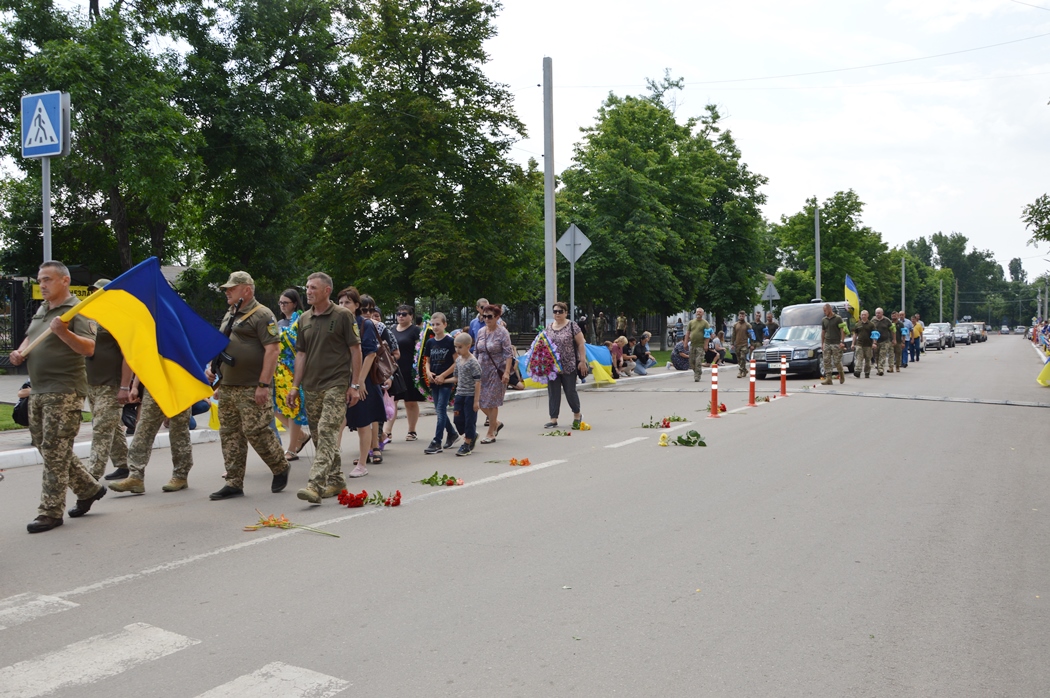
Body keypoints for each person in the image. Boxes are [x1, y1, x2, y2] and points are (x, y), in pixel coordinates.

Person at [10, 261, 103, 533]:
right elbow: (31, 337)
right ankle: (89, 488)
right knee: (46, 446)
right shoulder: (43, 309)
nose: (42, 285)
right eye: (40, 279)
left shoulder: (78, 310)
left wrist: (64, 331)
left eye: (48, 279)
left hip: (64, 391)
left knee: (54, 450)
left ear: (65, 281)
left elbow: (88, 347)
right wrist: (19, 352)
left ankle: (50, 511)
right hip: (38, 390)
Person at [205, 272, 290, 500]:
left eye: (231, 288)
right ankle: (234, 482)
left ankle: (280, 466)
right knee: (230, 434)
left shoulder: (262, 314)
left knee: (257, 430)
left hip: (253, 385)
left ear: (247, 290)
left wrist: (263, 384)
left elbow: (272, 350)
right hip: (230, 385)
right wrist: (219, 376)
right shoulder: (230, 313)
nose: (227, 292)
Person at [288, 272, 362, 504]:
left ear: (327, 291)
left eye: (313, 288)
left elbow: (355, 351)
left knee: (328, 429)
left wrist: (355, 385)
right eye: (307, 287)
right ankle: (337, 479)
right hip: (311, 386)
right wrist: (294, 386)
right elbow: (301, 354)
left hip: (336, 383)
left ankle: (315, 484)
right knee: (321, 437)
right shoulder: (304, 319)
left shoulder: (342, 316)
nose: (308, 291)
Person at [337, 288, 387, 477]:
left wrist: (358, 382)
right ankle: (333, 462)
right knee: (337, 421)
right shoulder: (337, 323)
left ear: (357, 305)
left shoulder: (365, 324)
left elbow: (370, 354)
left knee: (363, 423)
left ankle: (363, 464)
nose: (343, 306)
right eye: (340, 303)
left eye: (347, 303)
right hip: (342, 379)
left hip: (362, 380)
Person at [84, 278, 130, 481]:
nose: (94, 294)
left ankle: (91, 476)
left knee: (101, 428)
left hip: (111, 383)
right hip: (91, 382)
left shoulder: (119, 318)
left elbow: (128, 355)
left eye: (99, 291)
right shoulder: (89, 317)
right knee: (109, 424)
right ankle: (124, 464)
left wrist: (124, 386)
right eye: (93, 291)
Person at [274, 288, 310, 461]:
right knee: (275, 407)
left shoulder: (301, 320)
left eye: (285, 303)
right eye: (280, 303)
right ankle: (301, 436)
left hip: (296, 368)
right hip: (279, 370)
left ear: (294, 303)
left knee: (293, 408)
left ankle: (291, 448)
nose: (282, 306)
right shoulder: (278, 324)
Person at [542, 301, 588, 429]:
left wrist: (582, 361)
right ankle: (553, 418)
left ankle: (577, 415)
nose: (557, 314)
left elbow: (581, 344)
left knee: (570, 391)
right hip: (552, 366)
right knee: (553, 392)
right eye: (555, 311)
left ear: (566, 313)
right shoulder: (549, 327)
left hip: (569, 364)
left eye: (560, 311)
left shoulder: (572, 326)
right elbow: (544, 344)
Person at [474, 304, 514, 444]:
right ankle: (495, 422)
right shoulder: (481, 331)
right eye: (484, 316)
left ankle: (491, 433)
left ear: (497, 317)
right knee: (480, 402)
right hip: (481, 371)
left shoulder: (502, 332)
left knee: (492, 402)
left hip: (496, 371)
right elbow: (476, 351)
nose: (486, 319)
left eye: (489, 316)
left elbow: (509, 354)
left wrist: (507, 372)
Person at [423, 312, 459, 454]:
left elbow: (456, 361)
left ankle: (437, 441)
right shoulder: (430, 342)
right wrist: (428, 372)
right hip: (434, 380)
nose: (435, 327)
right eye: (433, 325)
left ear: (445, 324)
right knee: (439, 410)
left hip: (446, 380)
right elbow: (427, 361)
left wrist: (444, 375)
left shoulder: (450, 342)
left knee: (441, 409)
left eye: (438, 324)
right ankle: (452, 433)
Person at [389, 304, 424, 442]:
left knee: (410, 402)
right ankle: (387, 431)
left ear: (411, 316)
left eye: (404, 314)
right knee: (392, 401)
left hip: (409, 370)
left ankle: (412, 430)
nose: (401, 316)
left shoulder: (415, 330)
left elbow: (420, 351)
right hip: (394, 370)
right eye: (398, 314)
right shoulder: (392, 329)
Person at [443, 332, 481, 456]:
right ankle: (471, 435)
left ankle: (467, 444)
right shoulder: (458, 360)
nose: (457, 350)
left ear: (468, 346)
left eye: (460, 347)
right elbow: (456, 378)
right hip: (460, 394)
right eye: (455, 347)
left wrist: (476, 401)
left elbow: (478, 382)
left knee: (470, 420)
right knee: (458, 419)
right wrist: (443, 380)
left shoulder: (473, 362)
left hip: (470, 396)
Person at [820, 304, 848, 385]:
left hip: (836, 343)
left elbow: (843, 330)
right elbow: (823, 332)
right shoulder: (824, 320)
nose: (824, 312)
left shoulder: (838, 318)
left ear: (829, 309)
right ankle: (828, 378)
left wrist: (842, 342)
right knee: (826, 361)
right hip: (827, 343)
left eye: (825, 310)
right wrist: (822, 344)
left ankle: (841, 373)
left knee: (836, 361)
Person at [684, 307, 711, 382]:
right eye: (697, 312)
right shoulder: (691, 322)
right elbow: (687, 333)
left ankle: (697, 376)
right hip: (692, 344)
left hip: (701, 345)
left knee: (698, 361)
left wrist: (706, 344)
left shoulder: (705, 323)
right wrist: (685, 343)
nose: (698, 313)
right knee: (691, 361)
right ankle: (698, 371)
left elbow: (707, 334)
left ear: (703, 314)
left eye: (700, 312)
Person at [871, 307, 895, 376]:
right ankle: (879, 368)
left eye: (879, 313)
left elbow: (892, 330)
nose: (877, 314)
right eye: (876, 313)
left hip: (885, 340)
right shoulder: (873, 320)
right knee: (877, 355)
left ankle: (881, 369)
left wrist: (893, 339)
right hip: (876, 341)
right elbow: (871, 330)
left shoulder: (887, 320)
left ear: (882, 313)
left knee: (882, 354)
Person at [852, 310, 875, 378]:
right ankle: (857, 371)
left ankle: (867, 372)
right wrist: (853, 344)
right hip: (859, 344)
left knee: (868, 359)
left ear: (868, 315)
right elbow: (855, 335)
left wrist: (874, 343)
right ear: (860, 316)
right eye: (862, 315)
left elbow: (874, 335)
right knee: (859, 358)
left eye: (865, 315)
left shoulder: (871, 324)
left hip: (868, 345)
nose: (863, 316)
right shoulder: (857, 324)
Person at [731, 311, 752, 379]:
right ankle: (745, 370)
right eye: (740, 316)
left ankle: (740, 372)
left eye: (742, 316)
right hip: (737, 344)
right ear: (738, 316)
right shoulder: (735, 325)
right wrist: (732, 343)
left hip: (744, 344)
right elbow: (733, 335)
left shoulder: (747, 325)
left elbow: (751, 335)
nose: (741, 317)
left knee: (743, 357)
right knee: (739, 359)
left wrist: (751, 343)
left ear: (744, 316)